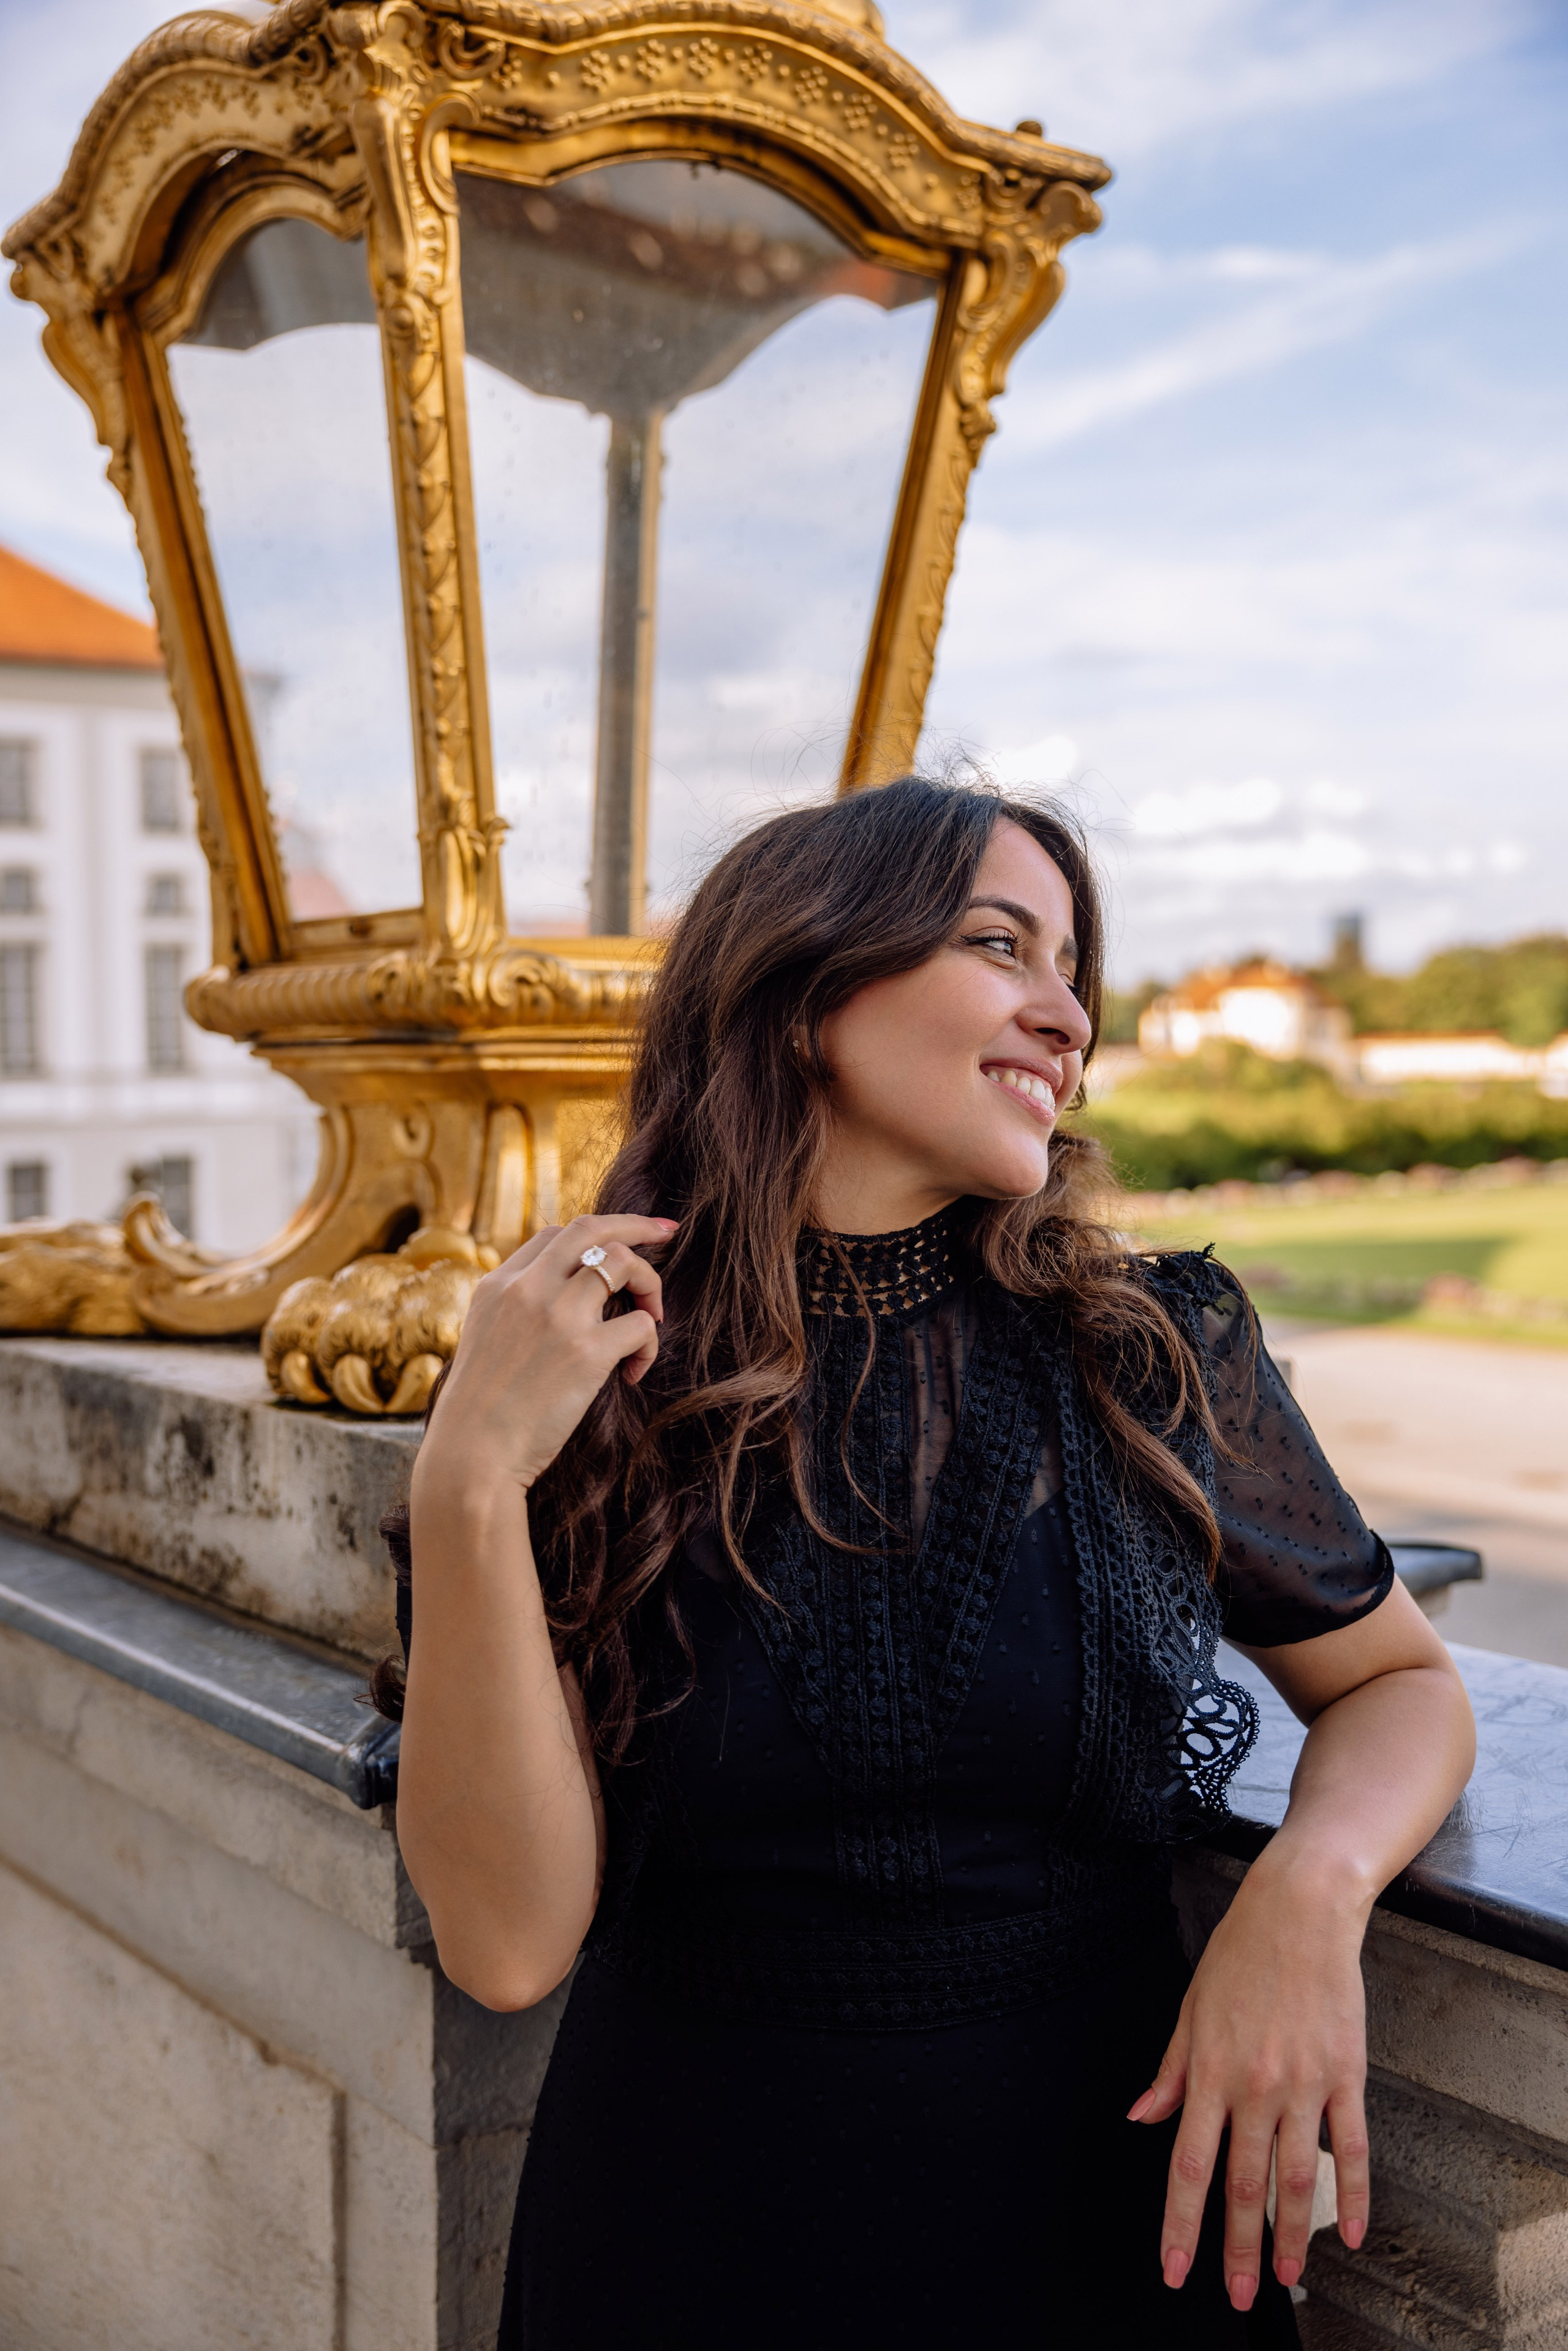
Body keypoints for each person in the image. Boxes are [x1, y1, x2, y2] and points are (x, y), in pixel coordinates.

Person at [375, 777, 1475, 2348]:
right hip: (688, 2247)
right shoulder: (572, 1374)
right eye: (999, 944)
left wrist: (1307, 1891)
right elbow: (503, 1940)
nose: (1066, 1014)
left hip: (1109, 2237)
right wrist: (471, 1481)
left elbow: (1394, 1683)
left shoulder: (1147, 1348)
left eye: (1072, 967)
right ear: (808, 983)